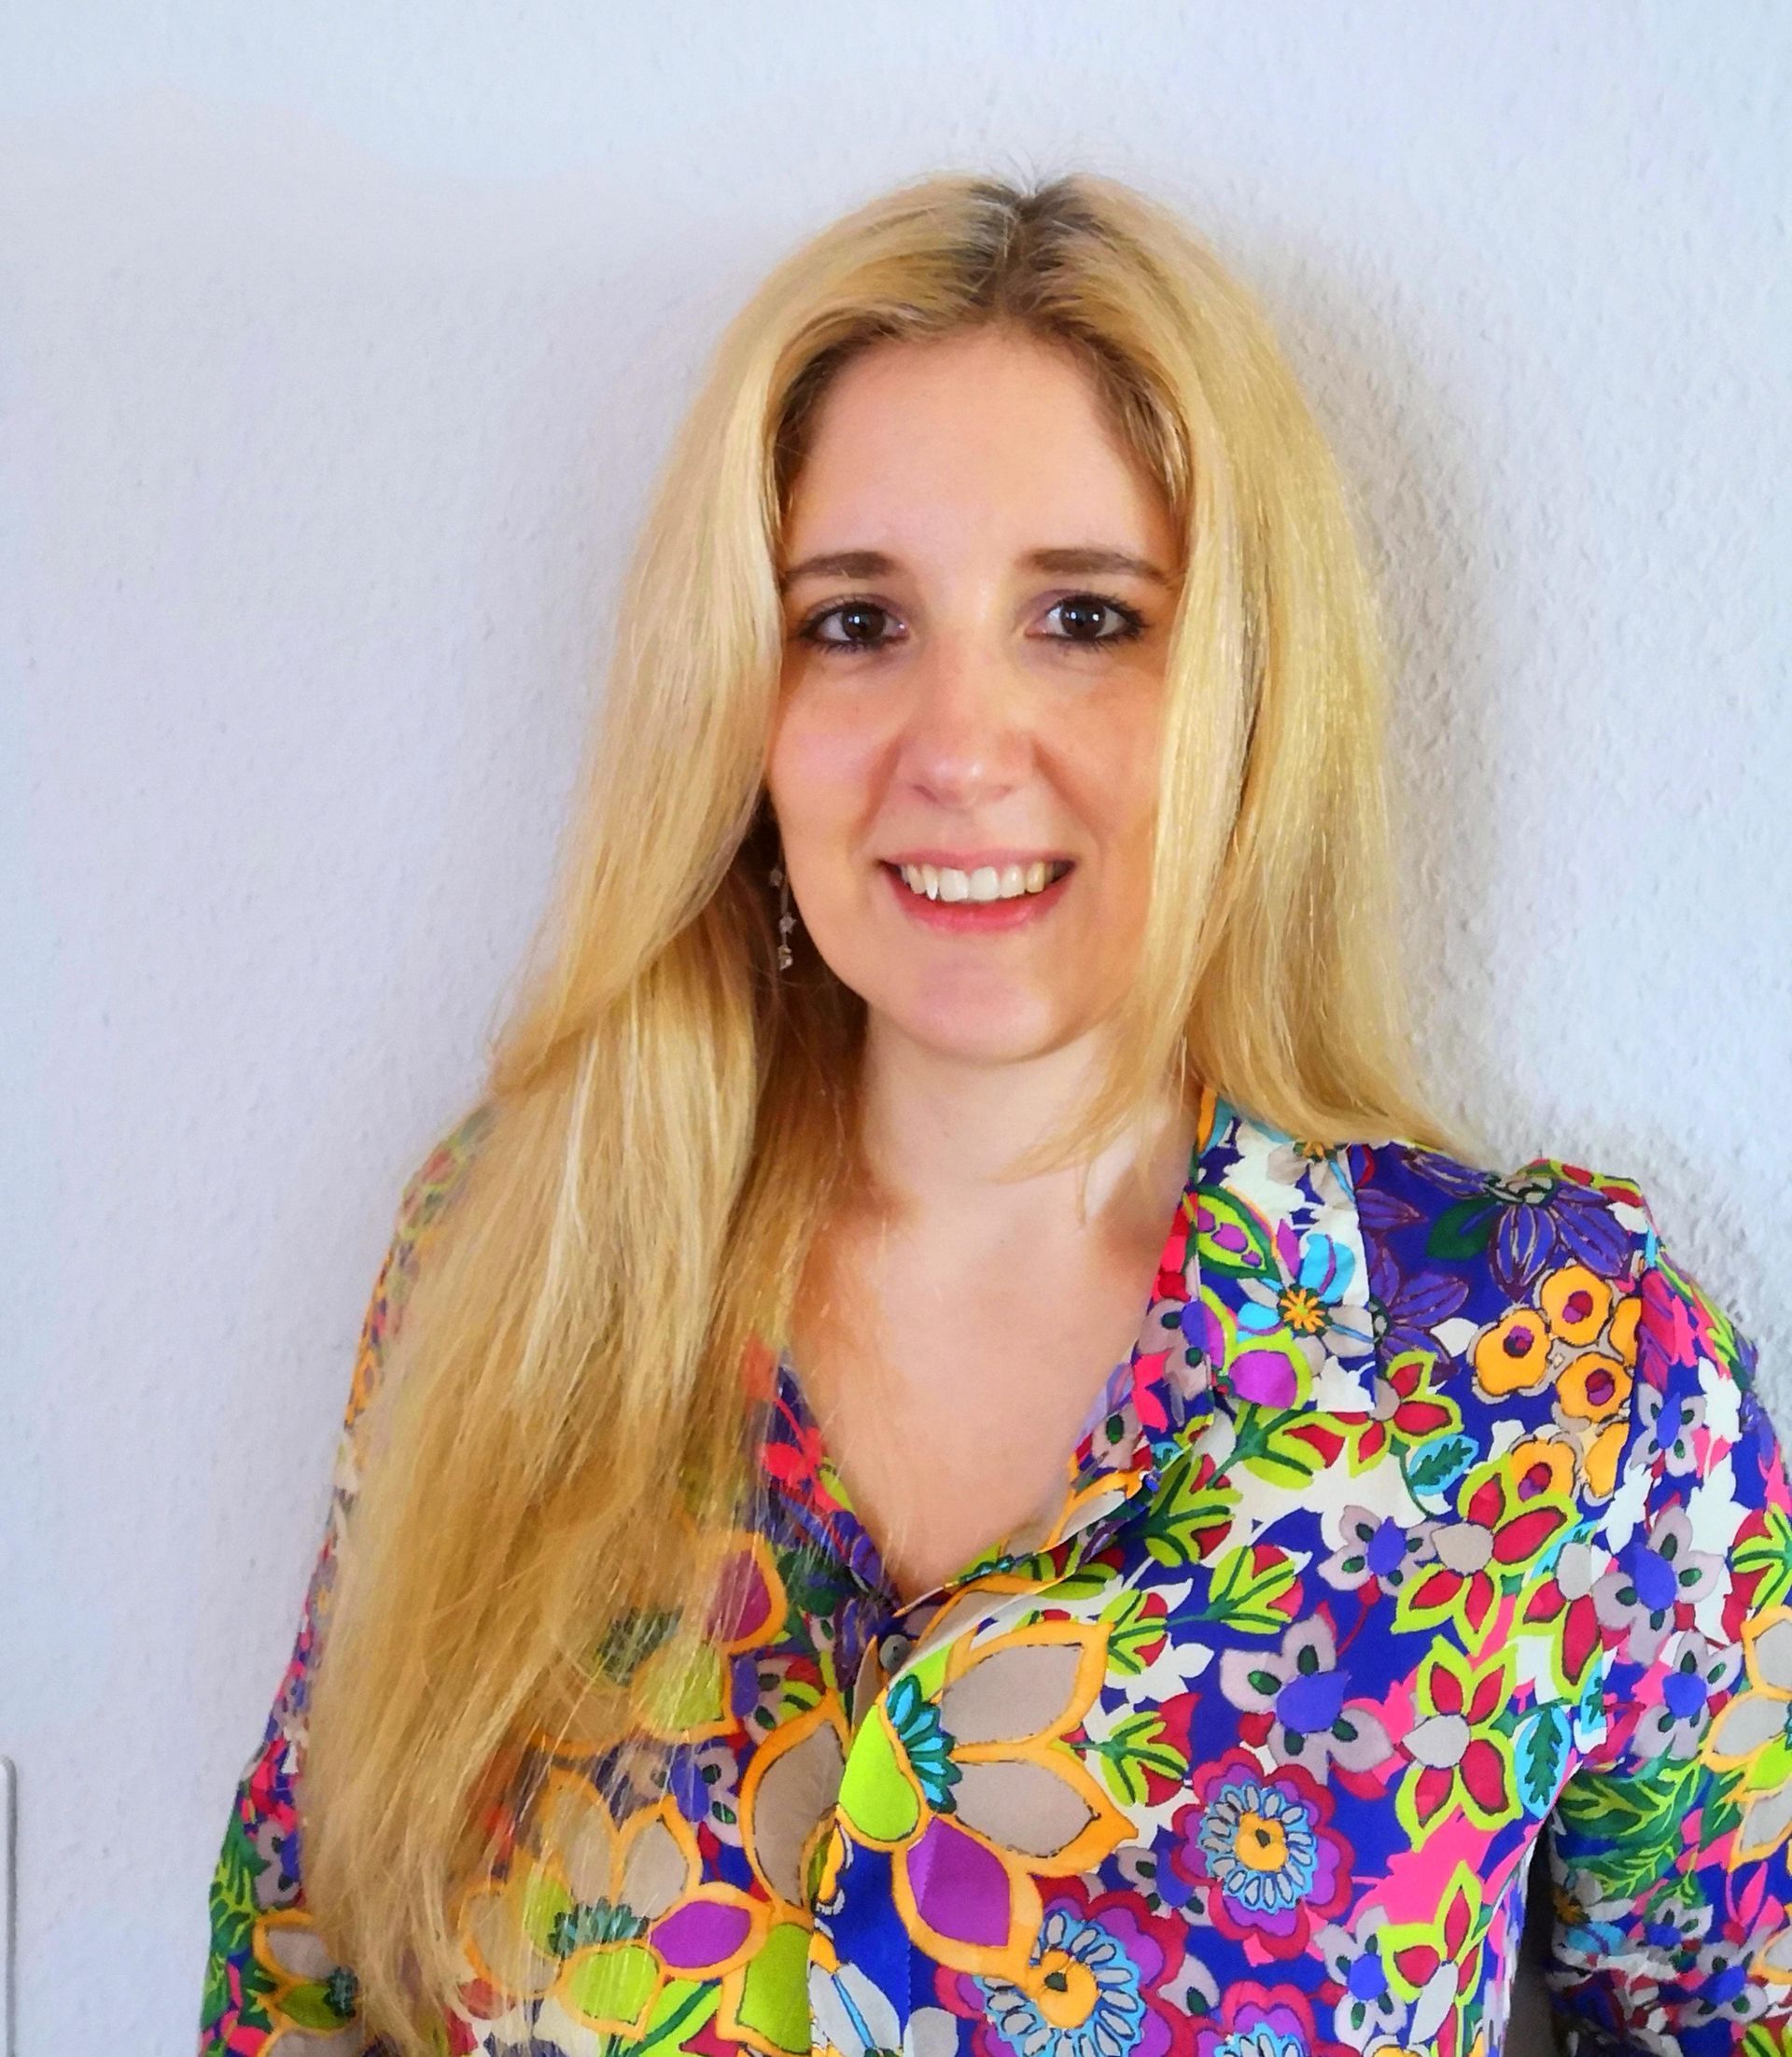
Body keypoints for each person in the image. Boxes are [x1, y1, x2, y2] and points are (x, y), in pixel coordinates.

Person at [198, 170, 1792, 2057]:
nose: (958, 749)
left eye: (1086, 616)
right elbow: (301, 1975)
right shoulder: (517, 1261)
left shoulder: (1561, 1382)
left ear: (1245, 693)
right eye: (855, 621)